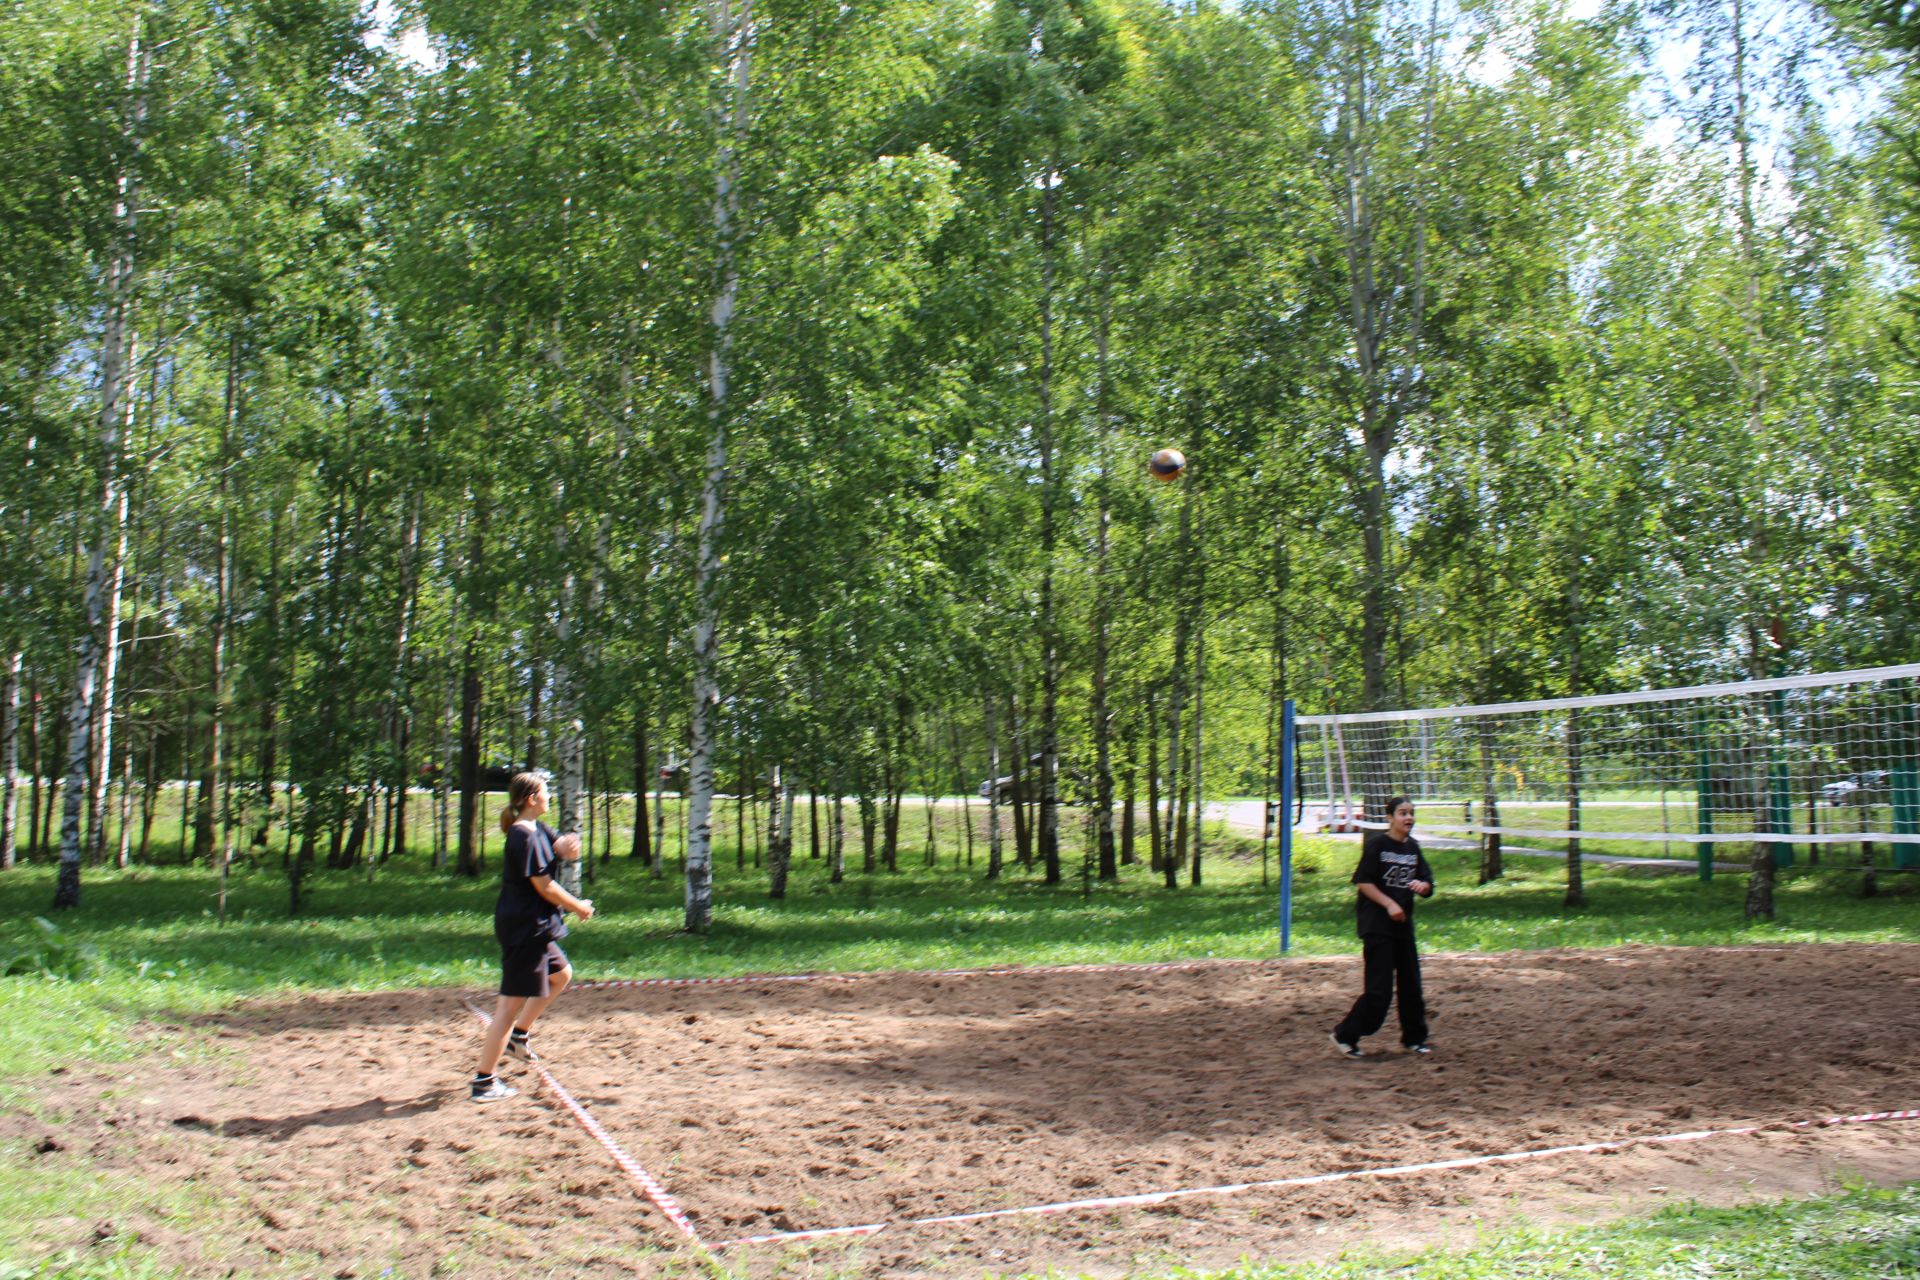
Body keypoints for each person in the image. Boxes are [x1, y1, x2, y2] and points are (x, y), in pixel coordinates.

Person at [471, 772, 594, 1102]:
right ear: (531, 799)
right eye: (546, 792)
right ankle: (484, 1082)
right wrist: (578, 906)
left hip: (536, 926)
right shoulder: (522, 836)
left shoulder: (537, 830)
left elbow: (558, 847)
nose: (550, 796)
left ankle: (519, 1037)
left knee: (561, 974)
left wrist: (567, 848)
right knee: (507, 1008)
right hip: (525, 927)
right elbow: (545, 886)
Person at [1330, 795, 1434, 1058]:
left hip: (1402, 926)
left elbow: (1426, 881)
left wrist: (1424, 887)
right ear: (1390, 818)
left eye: (1411, 813)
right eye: (1402, 813)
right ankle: (1345, 1035)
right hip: (1377, 926)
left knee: (1412, 984)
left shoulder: (1413, 848)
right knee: (1380, 991)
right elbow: (1363, 882)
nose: (1408, 818)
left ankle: (1414, 1038)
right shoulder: (1378, 846)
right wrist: (1388, 904)